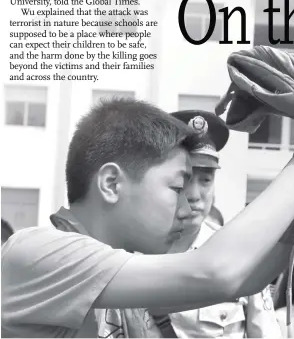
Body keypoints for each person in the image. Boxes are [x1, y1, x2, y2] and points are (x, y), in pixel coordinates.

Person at [2, 85, 294, 337]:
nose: (187, 202)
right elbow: (215, 274)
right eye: (177, 187)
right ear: (112, 184)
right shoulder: (39, 252)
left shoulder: (118, 265)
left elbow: (241, 281)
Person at [96, 110, 282, 338]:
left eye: (206, 180)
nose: (194, 195)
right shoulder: (129, 253)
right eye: (184, 180)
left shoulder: (237, 255)